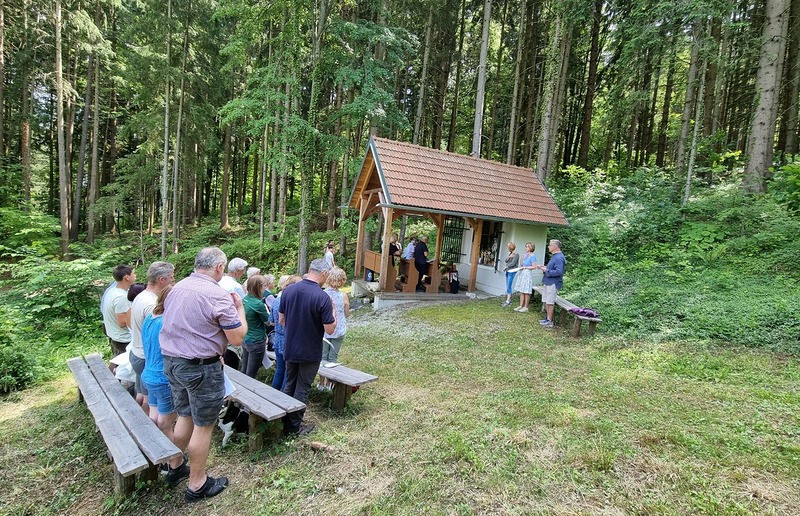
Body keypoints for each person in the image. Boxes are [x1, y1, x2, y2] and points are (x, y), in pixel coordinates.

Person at [160, 247, 247, 502]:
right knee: (204, 425)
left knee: (185, 415)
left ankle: (176, 466)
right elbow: (237, 338)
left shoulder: (177, 287)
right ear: (219, 267)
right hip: (200, 368)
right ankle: (197, 484)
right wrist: (239, 309)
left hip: (172, 363)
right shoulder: (217, 294)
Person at [279, 259, 336, 436]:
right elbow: (330, 329)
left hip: (290, 346)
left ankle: (283, 420)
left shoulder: (288, 290)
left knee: (290, 383)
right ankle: (294, 427)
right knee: (302, 387)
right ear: (324, 274)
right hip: (310, 350)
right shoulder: (322, 297)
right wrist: (333, 311)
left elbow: (281, 320)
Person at [140, 284, 188, 486]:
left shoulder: (150, 318)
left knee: (155, 418)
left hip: (149, 373)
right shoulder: (166, 322)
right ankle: (175, 464)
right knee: (166, 424)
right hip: (162, 377)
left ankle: (163, 456)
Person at [128, 262, 175, 413]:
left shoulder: (141, 296)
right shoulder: (152, 304)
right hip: (147, 358)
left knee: (141, 394)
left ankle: (135, 417)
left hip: (137, 353)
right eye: (172, 278)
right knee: (149, 403)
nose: (173, 281)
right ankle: (142, 424)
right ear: (162, 280)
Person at [319, 267, 350, 390]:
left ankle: (321, 383)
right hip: (339, 329)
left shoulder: (322, 294)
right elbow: (347, 314)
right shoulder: (343, 296)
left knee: (322, 357)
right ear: (342, 280)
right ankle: (329, 383)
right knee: (333, 358)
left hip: (324, 329)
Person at [269, 274, 302, 391]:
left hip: (277, 338)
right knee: (288, 373)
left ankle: (273, 393)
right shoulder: (294, 301)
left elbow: (271, 321)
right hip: (289, 340)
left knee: (279, 370)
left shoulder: (276, 300)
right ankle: (282, 397)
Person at [102, 264, 136, 356]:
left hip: (115, 337)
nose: (135, 276)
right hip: (124, 340)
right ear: (127, 277)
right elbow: (122, 323)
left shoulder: (112, 291)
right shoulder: (121, 297)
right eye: (133, 273)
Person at [241, 275, 271, 379]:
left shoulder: (244, 299)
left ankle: (240, 387)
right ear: (258, 287)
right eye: (264, 286)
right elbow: (268, 322)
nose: (265, 289)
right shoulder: (258, 304)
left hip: (246, 338)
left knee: (244, 369)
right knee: (251, 375)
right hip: (257, 340)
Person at [536, 239, 566, 327]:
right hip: (548, 281)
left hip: (553, 283)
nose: (548, 247)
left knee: (550, 301)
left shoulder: (559, 257)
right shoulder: (555, 256)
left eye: (550, 245)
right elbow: (552, 268)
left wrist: (546, 270)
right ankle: (547, 319)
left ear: (555, 247)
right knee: (546, 300)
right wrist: (543, 267)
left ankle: (550, 321)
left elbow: (559, 272)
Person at [513, 242, 538, 312]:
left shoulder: (532, 256)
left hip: (527, 273)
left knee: (526, 291)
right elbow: (522, 264)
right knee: (522, 290)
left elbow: (534, 267)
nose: (526, 248)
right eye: (525, 246)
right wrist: (522, 259)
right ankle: (521, 305)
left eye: (527, 246)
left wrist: (526, 267)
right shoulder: (525, 255)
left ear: (531, 248)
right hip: (522, 273)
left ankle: (526, 307)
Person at [501, 242, 520, 307]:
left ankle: (508, 301)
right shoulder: (510, 253)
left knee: (509, 285)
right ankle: (508, 299)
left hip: (512, 271)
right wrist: (509, 257)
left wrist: (506, 266)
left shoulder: (516, 254)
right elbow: (506, 261)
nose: (507, 248)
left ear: (510, 247)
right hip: (508, 271)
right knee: (507, 285)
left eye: (508, 247)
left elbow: (513, 264)